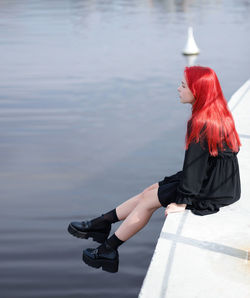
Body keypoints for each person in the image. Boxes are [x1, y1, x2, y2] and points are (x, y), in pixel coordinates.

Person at [67, 65, 241, 273]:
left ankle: (109, 249)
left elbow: (195, 169)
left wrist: (184, 203)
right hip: (218, 180)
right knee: (149, 191)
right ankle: (101, 223)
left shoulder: (201, 121)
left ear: (197, 91)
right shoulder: (216, 112)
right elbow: (203, 165)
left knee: (149, 201)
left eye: (184, 85)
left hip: (213, 188)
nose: (178, 89)